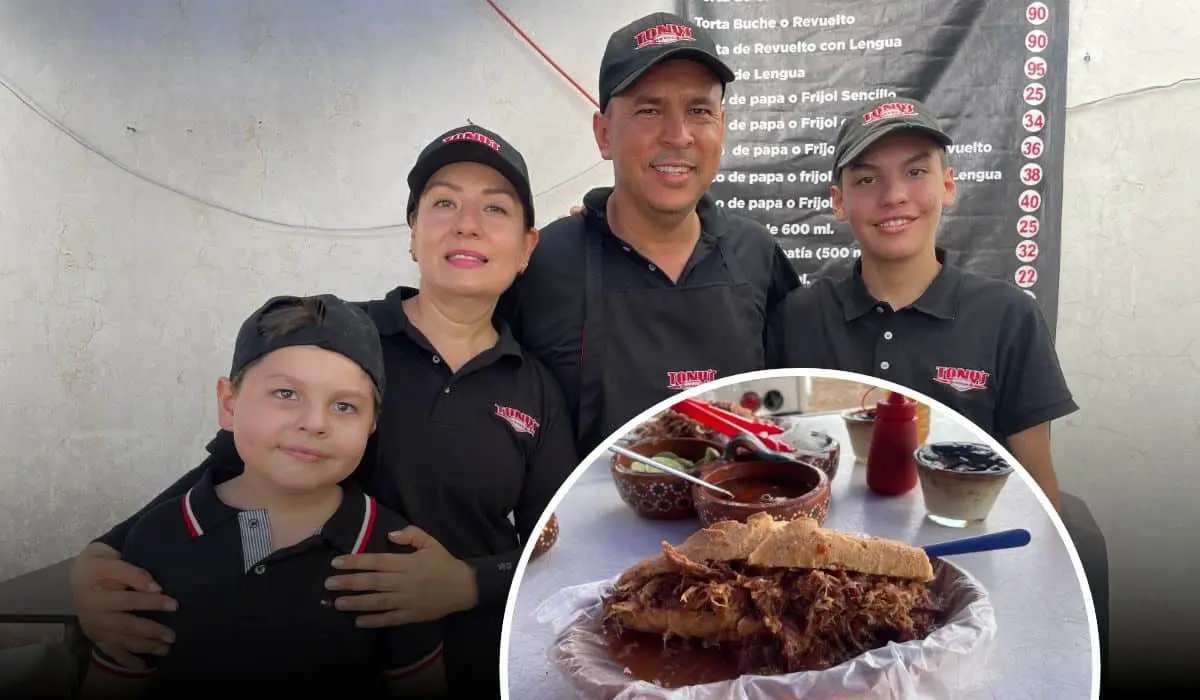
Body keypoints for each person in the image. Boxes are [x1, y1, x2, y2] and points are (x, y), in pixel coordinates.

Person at [68, 125, 578, 700]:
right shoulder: (338, 345)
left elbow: (558, 541)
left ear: (527, 246)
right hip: (315, 647)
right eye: (443, 202)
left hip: (468, 663)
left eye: (494, 207)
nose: (467, 222)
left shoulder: (537, 388)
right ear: (413, 233)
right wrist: (100, 558)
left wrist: (468, 583)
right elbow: (230, 466)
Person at [78, 294, 446, 698]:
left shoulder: (394, 562)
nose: (314, 423)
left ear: (372, 425)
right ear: (229, 403)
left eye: (344, 406)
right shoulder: (155, 540)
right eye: (286, 394)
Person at [498, 11, 801, 457]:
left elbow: (785, 412)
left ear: (722, 125)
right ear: (604, 134)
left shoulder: (755, 253)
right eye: (649, 109)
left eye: (698, 110)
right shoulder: (545, 262)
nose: (678, 135)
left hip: (738, 515)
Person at [765, 96, 1077, 511]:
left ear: (948, 185)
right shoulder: (797, 316)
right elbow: (772, 452)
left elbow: (1037, 483)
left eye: (915, 172)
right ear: (839, 201)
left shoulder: (1008, 316)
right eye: (867, 179)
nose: (894, 195)